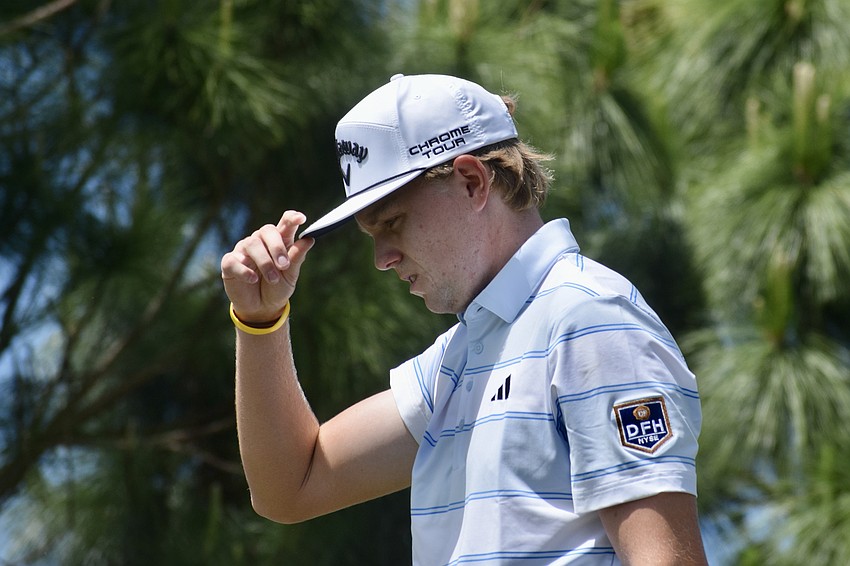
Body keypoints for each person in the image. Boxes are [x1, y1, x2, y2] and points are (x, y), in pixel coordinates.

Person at [220, 73, 708, 565]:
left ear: (473, 182)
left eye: (391, 223)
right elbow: (291, 486)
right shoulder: (460, 356)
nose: (382, 258)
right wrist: (261, 319)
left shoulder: (589, 319)